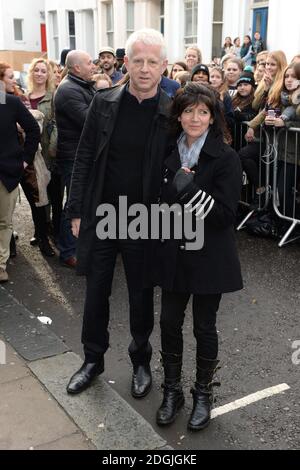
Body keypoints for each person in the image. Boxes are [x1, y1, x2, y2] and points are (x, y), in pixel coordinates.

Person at [65, 29, 172, 398]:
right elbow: (83, 158)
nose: (144, 69)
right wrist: (76, 210)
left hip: (145, 219)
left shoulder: (170, 110)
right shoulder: (104, 101)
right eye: (138, 61)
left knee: (141, 294)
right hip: (102, 213)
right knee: (96, 291)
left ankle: (141, 360)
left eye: (151, 62)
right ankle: (93, 360)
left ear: (163, 66)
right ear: (126, 63)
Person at [151, 83, 243, 430]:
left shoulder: (226, 157)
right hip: (174, 252)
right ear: (179, 114)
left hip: (209, 257)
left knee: (204, 326)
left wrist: (188, 189)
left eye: (202, 111)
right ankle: (172, 391)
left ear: (212, 116)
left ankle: (203, 393)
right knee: (169, 323)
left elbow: (224, 216)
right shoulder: (166, 150)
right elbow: (157, 201)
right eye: (188, 110)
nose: (195, 118)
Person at [55, 50, 96, 268]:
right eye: (89, 63)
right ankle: (68, 251)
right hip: (73, 157)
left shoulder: (80, 86)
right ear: (77, 68)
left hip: (82, 156)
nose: (94, 65)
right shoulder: (68, 90)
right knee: (74, 204)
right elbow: (90, 120)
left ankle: (77, 246)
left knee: (82, 203)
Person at [0, 69, 40, 282]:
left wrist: (24, 160)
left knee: (4, 222)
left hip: (6, 173)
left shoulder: (10, 102)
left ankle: (0, 265)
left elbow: (33, 130)